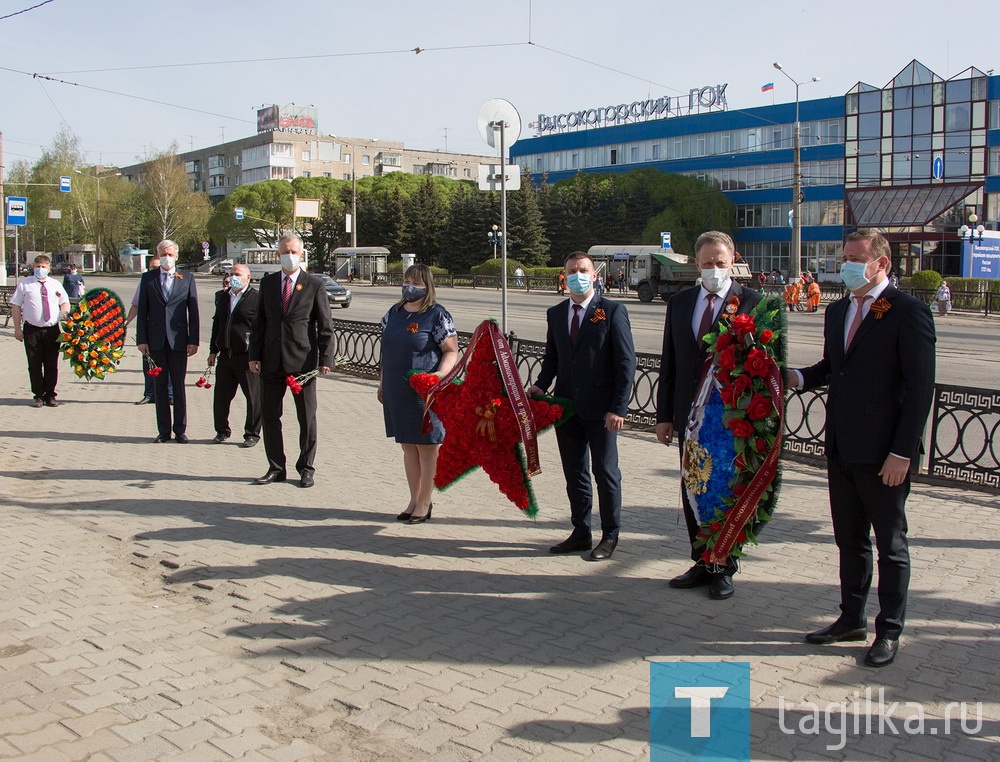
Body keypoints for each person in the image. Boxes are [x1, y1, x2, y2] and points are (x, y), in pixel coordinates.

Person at [788, 230, 935, 668]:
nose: (845, 264)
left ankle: (888, 630)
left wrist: (903, 452)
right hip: (842, 446)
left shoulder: (908, 312)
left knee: (889, 544)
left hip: (885, 454)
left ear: (881, 265)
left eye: (855, 258)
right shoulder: (837, 311)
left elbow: (920, 389)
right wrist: (792, 378)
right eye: (844, 256)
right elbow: (834, 368)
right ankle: (850, 617)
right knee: (849, 539)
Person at [655, 231, 763, 600]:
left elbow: (763, 368)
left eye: (720, 263)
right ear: (696, 265)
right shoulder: (681, 302)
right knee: (693, 487)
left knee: (725, 490)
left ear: (732, 261)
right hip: (689, 415)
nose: (714, 269)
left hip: (730, 417)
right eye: (706, 264)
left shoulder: (752, 302)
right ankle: (701, 561)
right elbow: (669, 361)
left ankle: (725, 565)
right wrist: (664, 415)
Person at [526, 252, 637, 561]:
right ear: (565, 276)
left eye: (583, 270)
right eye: (572, 270)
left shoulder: (612, 311)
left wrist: (619, 408)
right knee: (575, 472)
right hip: (566, 409)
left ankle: (610, 534)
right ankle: (580, 532)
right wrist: (541, 385)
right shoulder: (556, 313)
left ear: (595, 275)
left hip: (603, 412)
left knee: (605, 472)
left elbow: (626, 363)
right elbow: (553, 359)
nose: (578, 275)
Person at [248, 233, 334, 488]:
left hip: (302, 363)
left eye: (294, 251)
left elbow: (325, 326)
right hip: (271, 361)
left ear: (302, 254)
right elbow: (259, 323)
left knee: (307, 418)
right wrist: (254, 355)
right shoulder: (268, 283)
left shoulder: (314, 285)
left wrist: (325, 358)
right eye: (285, 251)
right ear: (277, 255)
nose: (289, 255)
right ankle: (276, 467)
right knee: (270, 416)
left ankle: (306, 468)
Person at [378, 264, 459, 524]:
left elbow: (451, 351)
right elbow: (386, 351)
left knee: (427, 448)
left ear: (427, 285)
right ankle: (413, 499)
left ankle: (425, 502)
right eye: (407, 281)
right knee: (407, 446)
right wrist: (382, 383)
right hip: (395, 389)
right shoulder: (394, 312)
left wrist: (439, 377)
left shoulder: (437, 315)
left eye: (416, 282)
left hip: (423, 391)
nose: (409, 287)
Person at [136, 240, 200, 443]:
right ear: (157, 255)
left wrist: (194, 340)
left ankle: (180, 429)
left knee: (179, 386)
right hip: (155, 340)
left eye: (170, 254)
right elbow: (142, 310)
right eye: (163, 254)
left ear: (176, 256)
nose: (167, 257)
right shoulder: (148, 278)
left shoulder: (187, 278)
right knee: (159, 386)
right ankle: (164, 431)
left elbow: (194, 311)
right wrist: (142, 339)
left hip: (179, 340)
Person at [208, 264, 261, 448]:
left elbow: (262, 329)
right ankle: (222, 430)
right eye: (231, 274)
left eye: (237, 274)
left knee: (254, 398)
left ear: (248, 277)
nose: (233, 278)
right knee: (221, 397)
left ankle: (252, 434)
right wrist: (212, 350)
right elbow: (218, 325)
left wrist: (259, 355)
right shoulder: (223, 297)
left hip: (247, 357)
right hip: (225, 355)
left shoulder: (256, 298)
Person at [10, 254, 70, 407]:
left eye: (43, 267)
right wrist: (17, 329)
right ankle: (38, 395)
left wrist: (66, 315)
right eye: (38, 266)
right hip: (32, 330)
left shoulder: (55, 284)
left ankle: (50, 394)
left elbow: (64, 303)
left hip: (52, 330)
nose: (40, 269)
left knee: (51, 364)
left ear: (49, 269)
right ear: (33, 267)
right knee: (34, 364)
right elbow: (16, 306)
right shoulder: (25, 284)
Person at [126, 256, 172, 405]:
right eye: (151, 267)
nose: (154, 270)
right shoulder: (145, 282)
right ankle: (150, 393)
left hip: (170, 332)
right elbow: (136, 305)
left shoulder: (173, 281)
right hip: (151, 330)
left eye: (156, 267)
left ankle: (170, 394)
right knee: (149, 363)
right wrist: (126, 322)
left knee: (170, 365)